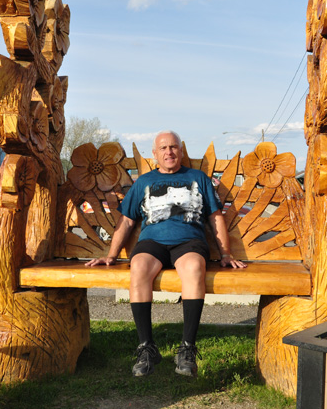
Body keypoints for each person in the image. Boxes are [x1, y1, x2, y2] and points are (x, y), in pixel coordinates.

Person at [86, 130, 246, 377]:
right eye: (163, 148)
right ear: (155, 154)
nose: (169, 152)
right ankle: (146, 347)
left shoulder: (198, 178)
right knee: (138, 267)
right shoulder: (144, 182)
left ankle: (187, 349)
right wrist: (112, 254)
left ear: (181, 151)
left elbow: (215, 217)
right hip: (153, 243)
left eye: (173, 147)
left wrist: (225, 253)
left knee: (193, 268)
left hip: (189, 242)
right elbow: (126, 221)